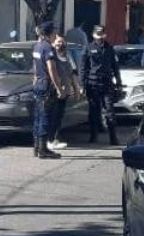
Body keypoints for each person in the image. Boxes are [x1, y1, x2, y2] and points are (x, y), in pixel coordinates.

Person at [81, 25, 123, 145]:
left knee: (109, 111)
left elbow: (115, 66)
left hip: (106, 83)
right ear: (94, 35)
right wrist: (81, 84)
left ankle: (113, 137)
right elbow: (83, 68)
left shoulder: (109, 48)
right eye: (97, 35)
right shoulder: (88, 48)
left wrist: (119, 82)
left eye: (101, 35)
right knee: (94, 111)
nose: (99, 38)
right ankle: (93, 136)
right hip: (92, 83)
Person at [31, 21, 62, 159]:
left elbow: (35, 67)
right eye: (54, 31)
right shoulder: (48, 47)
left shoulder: (37, 46)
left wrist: (35, 78)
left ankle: (37, 148)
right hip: (46, 85)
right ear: (49, 33)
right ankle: (43, 150)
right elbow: (51, 68)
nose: (56, 34)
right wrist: (58, 87)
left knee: (38, 117)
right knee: (45, 117)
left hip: (38, 83)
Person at [47, 34, 81, 151]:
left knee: (59, 116)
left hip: (65, 91)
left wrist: (76, 89)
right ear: (53, 43)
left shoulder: (68, 55)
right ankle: (49, 140)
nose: (60, 44)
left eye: (62, 42)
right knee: (52, 116)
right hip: (54, 91)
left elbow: (73, 74)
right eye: (58, 41)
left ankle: (54, 139)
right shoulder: (51, 55)